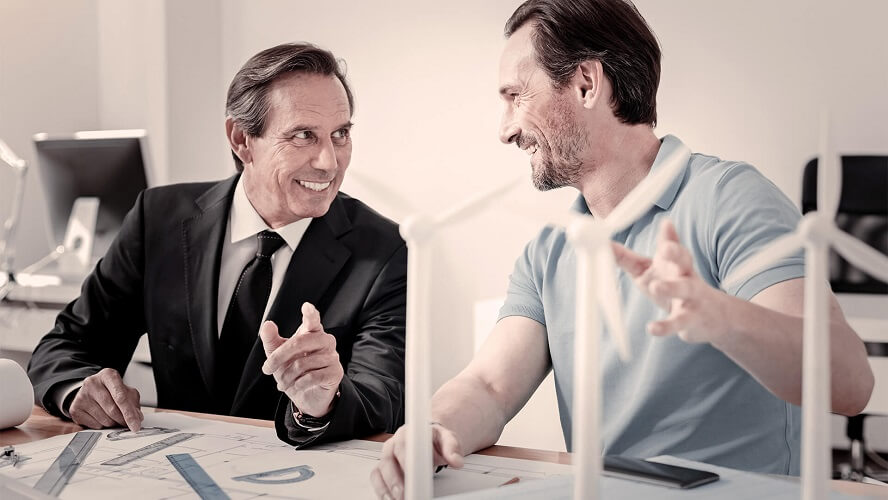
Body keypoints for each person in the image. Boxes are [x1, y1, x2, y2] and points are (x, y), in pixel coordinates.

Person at [371, 1, 874, 496]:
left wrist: (718, 316)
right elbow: (489, 387)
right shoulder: (549, 251)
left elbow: (850, 385)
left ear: (586, 83)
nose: (505, 129)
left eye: (516, 95)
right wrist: (431, 429)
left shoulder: (730, 198)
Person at [27, 42, 407, 448]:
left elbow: (383, 398)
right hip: (169, 473)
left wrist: (323, 402)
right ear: (242, 139)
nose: (330, 162)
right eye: (303, 135)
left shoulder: (385, 250)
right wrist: (77, 391)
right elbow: (67, 344)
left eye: (340, 134)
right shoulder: (157, 217)